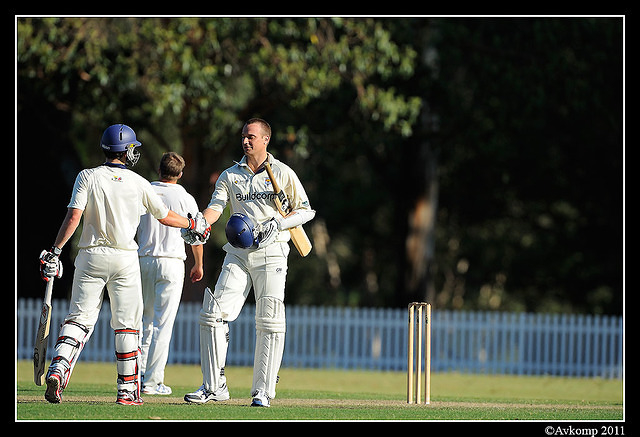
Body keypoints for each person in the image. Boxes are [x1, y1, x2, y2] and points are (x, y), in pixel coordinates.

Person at [38, 124, 210, 406]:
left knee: (79, 319)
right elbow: (166, 216)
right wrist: (192, 223)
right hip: (125, 258)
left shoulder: (87, 176)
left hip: (90, 256)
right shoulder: (139, 182)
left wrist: (55, 252)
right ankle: (128, 391)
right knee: (128, 326)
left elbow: (73, 218)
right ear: (128, 151)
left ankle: (58, 368)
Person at [183, 118, 315, 407]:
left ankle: (262, 391)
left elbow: (306, 211)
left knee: (269, 320)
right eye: (244, 136)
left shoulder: (282, 172)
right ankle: (213, 386)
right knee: (213, 313)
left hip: (273, 253)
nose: (246, 141)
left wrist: (279, 223)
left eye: (251, 137)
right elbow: (216, 208)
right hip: (238, 252)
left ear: (266, 139)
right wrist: (199, 222)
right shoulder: (231, 175)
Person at [137, 152, 204, 395]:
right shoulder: (185, 197)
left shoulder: (145, 190)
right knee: (162, 324)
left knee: (143, 321)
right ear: (180, 173)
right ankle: (153, 382)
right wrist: (199, 264)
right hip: (172, 261)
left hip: (143, 259)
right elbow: (197, 232)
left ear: (159, 170)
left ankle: (136, 376)